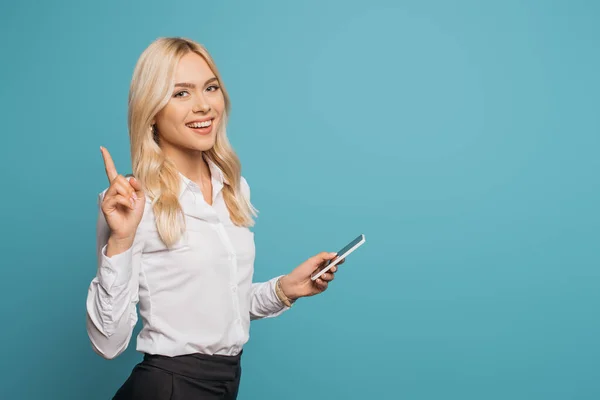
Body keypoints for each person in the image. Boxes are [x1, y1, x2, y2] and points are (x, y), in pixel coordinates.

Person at [85, 37, 341, 400]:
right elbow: (108, 343)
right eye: (181, 93)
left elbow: (214, 308)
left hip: (224, 383)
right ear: (151, 109)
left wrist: (286, 289)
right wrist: (121, 241)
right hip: (167, 388)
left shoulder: (234, 189)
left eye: (210, 88)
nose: (203, 105)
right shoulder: (132, 204)